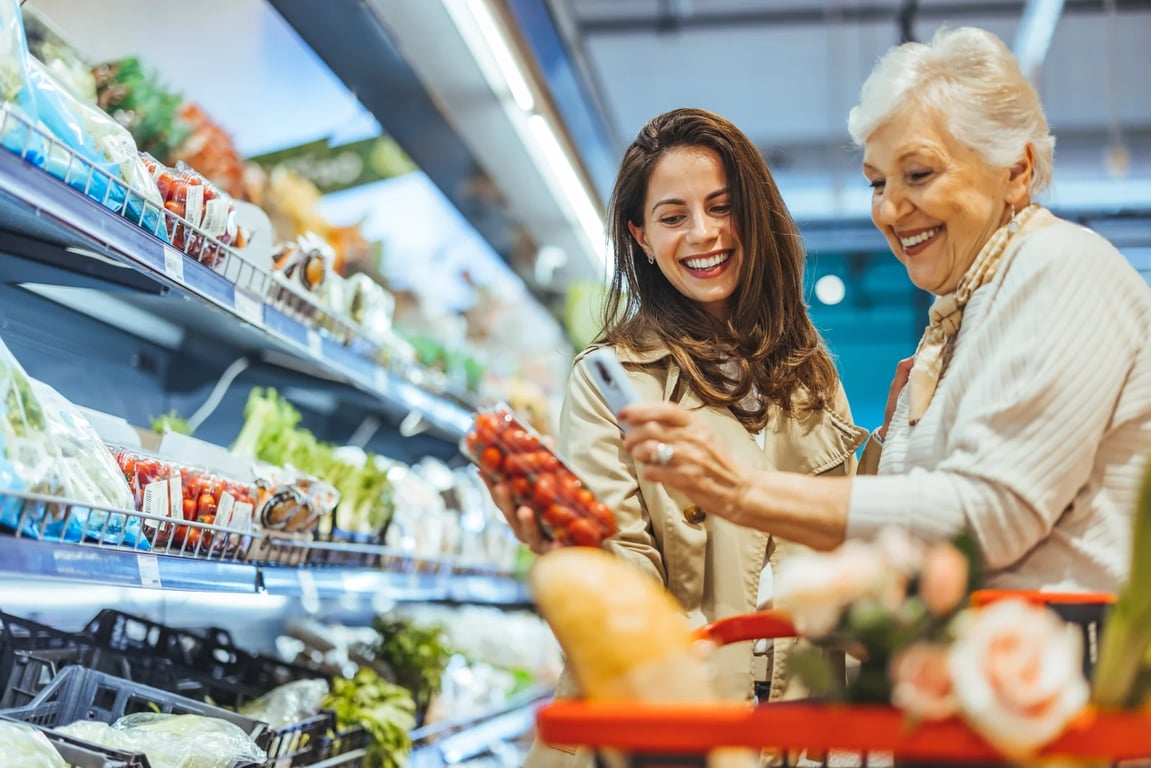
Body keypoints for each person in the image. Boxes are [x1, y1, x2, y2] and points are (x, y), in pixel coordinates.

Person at [618, 27, 1151, 594]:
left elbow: (989, 515)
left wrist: (743, 492)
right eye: (876, 182)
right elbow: (902, 540)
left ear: (1015, 170)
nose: (891, 209)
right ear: (641, 237)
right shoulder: (961, 318)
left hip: (1061, 672)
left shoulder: (1058, 268)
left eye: (918, 174)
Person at [489, 107, 867, 768]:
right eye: (672, 216)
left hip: (803, 733)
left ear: (756, 214)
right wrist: (569, 547)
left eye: (722, 207)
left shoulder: (811, 375)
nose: (703, 234)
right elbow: (623, 569)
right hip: (667, 733)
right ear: (639, 235)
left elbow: (842, 545)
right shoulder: (611, 381)